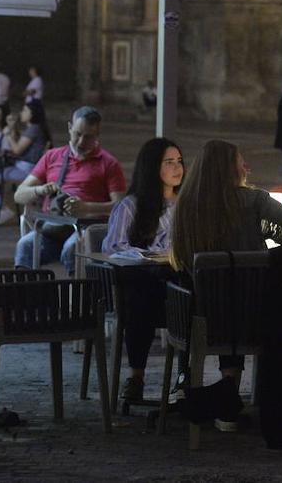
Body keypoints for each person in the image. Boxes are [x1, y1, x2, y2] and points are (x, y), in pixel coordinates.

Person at [167, 138, 282, 443]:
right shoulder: (254, 201)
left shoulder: (185, 205)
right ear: (228, 167)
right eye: (240, 160)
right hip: (258, 316)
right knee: (246, 296)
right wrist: (281, 257)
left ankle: (223, 398)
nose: (246, 166)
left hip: (200, 318)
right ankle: (231, 399)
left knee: (222, 296)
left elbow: (179, 260)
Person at [101, 138, 184, 402]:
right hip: (144, 283)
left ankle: (185, 377)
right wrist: (150, 257)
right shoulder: (131, 206)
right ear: (152, 167)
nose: (177, 168)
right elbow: (114, 247)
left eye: (179, 162)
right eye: (169, 162)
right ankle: (136, 375)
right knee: (142, 291)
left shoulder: (185, 205)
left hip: (178, 283)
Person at [12, 106, 127, 274]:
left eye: (88, 137)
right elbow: (19, 195)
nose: (81, 142)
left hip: (85, 230)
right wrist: (41, 190)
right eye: (77, 134)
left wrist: (86, 208)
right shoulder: (52, 156)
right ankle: (28, 295)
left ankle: (76, 298)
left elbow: (121, 206)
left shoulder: (108, 163)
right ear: (69, 128)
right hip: (51, 229)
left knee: (72, 248)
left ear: (97, 136)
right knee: (25, 245)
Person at [0, 99, 51, 223]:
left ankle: (2, 209)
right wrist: (12, 128)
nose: (21, 113)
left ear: (32, 114)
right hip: (25, 167)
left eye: (25, 110)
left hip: (26, 169)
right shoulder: (34, 129)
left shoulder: (33, 129)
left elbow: (17, 149)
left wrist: (7, 134)